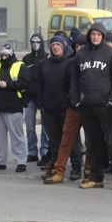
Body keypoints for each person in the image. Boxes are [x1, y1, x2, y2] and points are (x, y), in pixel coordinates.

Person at [71, 22, 112, 190]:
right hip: (87, 106)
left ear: (103, 36)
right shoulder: (81, 54)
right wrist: (76, 100)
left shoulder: (111, 54)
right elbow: (74, 80)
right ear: (89, 35)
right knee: (93, 144)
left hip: (107, 106)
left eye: (98, 34)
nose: (95, 37)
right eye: (93, 34)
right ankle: (96, 178)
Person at [31, 36, 76, 185]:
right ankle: (56, 167)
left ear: (63, 47)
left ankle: (76, 167)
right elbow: (39, 85)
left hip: (66, 108)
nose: (55, 47)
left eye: (58, 45)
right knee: (54, 140)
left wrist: (69, 103)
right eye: (53, 45)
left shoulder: (70, 63)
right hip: (48, 108)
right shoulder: (44, 64)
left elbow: (73, 86)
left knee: (71, 139)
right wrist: (41, 103)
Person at [46, 35, 86, 184]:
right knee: (63, 140)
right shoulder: (70, 63)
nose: (79, 49)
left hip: (89, 106)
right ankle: (58, 169)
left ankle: (82, 169)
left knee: (86, 141)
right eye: (77, 47)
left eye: (82, 46)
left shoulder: (90, 62)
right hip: (69, 106)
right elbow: (65, 85)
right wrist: (68, 100)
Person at [0, 43, 28, 172]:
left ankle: (21, 161)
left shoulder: (20, 66)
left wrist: (8, 85)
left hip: (13, 107)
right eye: (2, 54)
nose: (4, 57)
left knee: (17, 136)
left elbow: (25, 82)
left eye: (6, 55)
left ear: (12, 54)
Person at [22, 32, 49, 164]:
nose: (35, 45)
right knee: (30, 126)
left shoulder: (47, 57)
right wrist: (24, 95)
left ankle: (44, 151)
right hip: (30, 97)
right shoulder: (26, 59)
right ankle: (32, 152)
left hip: (44, 97)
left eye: (38, 42)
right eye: (33, 42)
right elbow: (22, 78)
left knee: (46, 127)